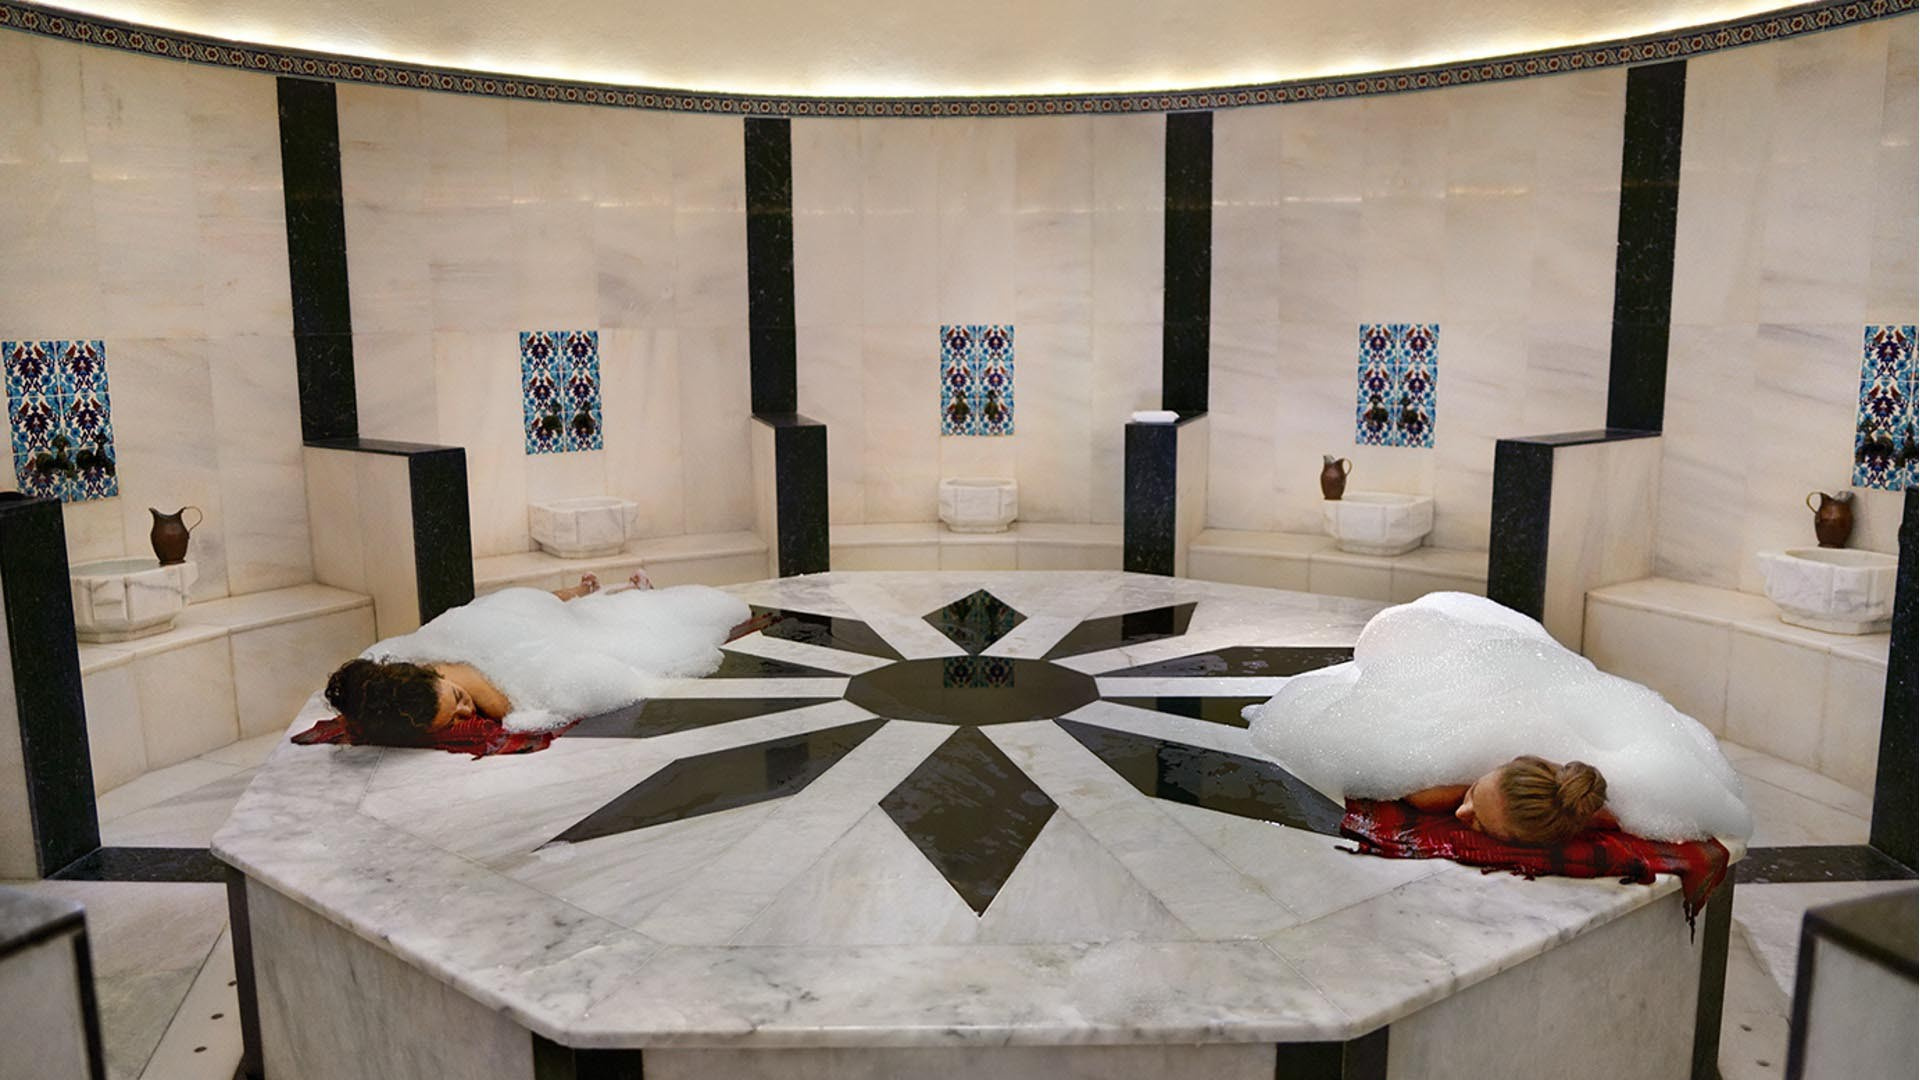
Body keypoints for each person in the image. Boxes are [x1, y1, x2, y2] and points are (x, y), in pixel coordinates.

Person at [317, 571, 767, 750]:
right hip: (525, 628)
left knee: (575, 616)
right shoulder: (409, 661)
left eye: (456, 698)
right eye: (452, 719)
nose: (466, 712)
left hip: (522, 622)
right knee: (575, 619)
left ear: (431, 672)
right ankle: (605, 597)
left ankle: (605, 598)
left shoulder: (484, 689)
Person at [1403, 755, 1616, 846]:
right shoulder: (1434, 792)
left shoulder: (1582, 802)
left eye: (1480, 824)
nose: (1461, 812)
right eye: (1474, 790)